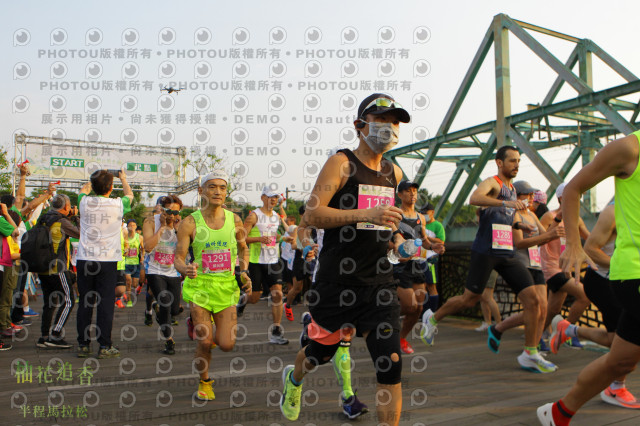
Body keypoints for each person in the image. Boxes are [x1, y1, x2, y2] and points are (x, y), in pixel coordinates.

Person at [280, 93, 411, 425]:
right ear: (360, 125)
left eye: (395, 122)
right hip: (337, 281)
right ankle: (293, 379)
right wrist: (366, 212)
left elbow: (387, 221)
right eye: (382, 121)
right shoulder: (342, 162)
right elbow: (312, 213)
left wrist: (396, 241)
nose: (390, 128)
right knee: (318, 355)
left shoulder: (393, 172)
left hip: (379, 283)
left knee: (391, 362)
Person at [537, 130, 640, 425]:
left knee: (619, 360)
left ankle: (558, 413)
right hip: (634, 273)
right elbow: (572, 189)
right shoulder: (629, 148)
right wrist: (573, 244)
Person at [421, 146, 552, 373]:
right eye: (511, 160)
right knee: (469, 299)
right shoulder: (493, 183)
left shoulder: (512, 190)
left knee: (535, 301)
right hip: (485, 252)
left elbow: (502, 219)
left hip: (506, 253)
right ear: (499, 163)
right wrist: (506, 204)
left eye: (518, 160)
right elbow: (475, 198)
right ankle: (432, 318)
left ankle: (530, 352)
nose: (516, 164)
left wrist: (520, 224)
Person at [548, 202, 640, 409]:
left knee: (619, 340)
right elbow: (591, 250)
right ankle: (615, 387)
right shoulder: (613, 211)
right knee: (624, 342)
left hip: (621, 280)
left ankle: (569, 329)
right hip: (602, 281)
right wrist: (628, 267)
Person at [175, 170, 251, 400]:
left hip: (226, 288)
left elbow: (243, 249)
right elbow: (178, 258)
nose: (218, 192)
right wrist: (184, 268)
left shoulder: (234, 219)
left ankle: (204, 332)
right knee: (205, 340)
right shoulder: (189, 222)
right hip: (199, 288)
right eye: (212, 187)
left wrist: (244, 271)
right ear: (201, 191)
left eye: (222, 187)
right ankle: (205, 381)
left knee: (226, 344)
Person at [485, 180, 563, 359]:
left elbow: (545, 236)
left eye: (530, 196)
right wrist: (546, 236)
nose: (529, 199)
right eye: (525, 195)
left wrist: (557, 220)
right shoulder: (513, 215)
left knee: (542, 309)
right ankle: (529, 349)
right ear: (515, 197)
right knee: (533, 307)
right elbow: (519, 242)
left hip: (536, 264)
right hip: (520, 262)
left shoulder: (532, 215)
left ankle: (524, 343)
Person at [76, 169, 133, 359]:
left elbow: (83, 191)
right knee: (105, 304)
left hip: (85, 259)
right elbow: (129, 195)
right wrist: (123, 178)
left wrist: (89, 185)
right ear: (111, 187)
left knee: (85, 302)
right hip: (108, 261)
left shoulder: (83, 202)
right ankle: (104, 345)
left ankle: (83, 345)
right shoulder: (118, 204)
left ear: (93, 186)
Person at [393, 181, 444, 355]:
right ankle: (381, 315)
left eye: (414, 191)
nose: (412, 194)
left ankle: (401, 338)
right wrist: (395, 249)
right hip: (401, 264)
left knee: (419, 308)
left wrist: (433, 247)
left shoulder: (420, 217)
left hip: (418, 263)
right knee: (409, 305)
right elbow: (387, 237)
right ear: (400, 195)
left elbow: (423, 240)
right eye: (408, 191)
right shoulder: (395, 214)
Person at [539, 183, 591, 349]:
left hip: (566, 269)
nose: (579, 199)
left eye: (579, 196)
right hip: (551, 267)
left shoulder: (577, 219)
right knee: (584, 296)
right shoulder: (549, 216)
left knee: (553, 310)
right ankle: (568, 332)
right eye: (575, 195)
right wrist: (555, 225)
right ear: (562, 198)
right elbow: (539, 238)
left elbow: (590, 239)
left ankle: (537, 337)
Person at [242, 187, 289, 344]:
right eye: (270, 197)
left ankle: (276, 331)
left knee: (278, 295)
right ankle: (242, 301)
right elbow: (241, 239)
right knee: (254, 298)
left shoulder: (276, 217)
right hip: (256, 261)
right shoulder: (254, 216)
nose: (273, 200)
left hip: (273, 261)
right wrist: (259, 240)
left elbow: (274, 237)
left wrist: (282, 239)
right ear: (262, 197)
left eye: (275, 197)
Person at [34, 194, 80, 349]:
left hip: (42, 268)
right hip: (57, 268)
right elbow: (81, 234)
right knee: (68, 301)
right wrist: (76, 217)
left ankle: (44, 336)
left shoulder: (43, 219)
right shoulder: (62, 221)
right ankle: (55, 333)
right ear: (66, 207)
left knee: (49, 303)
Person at [143, 194, 183, 355]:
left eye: (176, 212)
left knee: (174, 310)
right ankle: (169, 340)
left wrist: (177, 228)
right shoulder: (151, 221)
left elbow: (185, 247)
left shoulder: (181, 223)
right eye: (169, 211)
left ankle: (158, 310)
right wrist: (163, 227)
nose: (172, 215)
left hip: (173, 270)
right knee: (165, 301)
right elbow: (147, 247)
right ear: (162, 209)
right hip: (154, 269)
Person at [421, 202, 445, 313]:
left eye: (426, 212)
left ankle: (433, 312)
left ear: (432, 212)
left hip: (431, 258)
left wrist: (427, 238)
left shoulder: (437, 225)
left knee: (431, 285)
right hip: (420, 258)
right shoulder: (421, 224)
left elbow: (441, 241)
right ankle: (424, 312)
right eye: (423, 212)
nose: (424, 214)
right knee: (422, 286)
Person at [124, 219, 144, 308]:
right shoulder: (124, 237)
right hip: (126, 262)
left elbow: (142, 248)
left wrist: (142, 257)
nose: (131, 227)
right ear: (127, 227)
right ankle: (128, 300)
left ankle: (133, 290)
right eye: (130, 225)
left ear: (136, 227)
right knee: (128, 281)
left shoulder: (139, 237)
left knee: (134, 284)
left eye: (133, 225)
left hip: (136, 263)